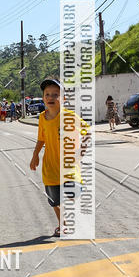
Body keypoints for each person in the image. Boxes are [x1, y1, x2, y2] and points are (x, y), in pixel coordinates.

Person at [29, 77, 90, 237]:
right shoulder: (42, 117)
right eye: (47, 94)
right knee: (55, 201)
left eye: (55, 94)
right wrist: (35, 156)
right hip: (50, 167)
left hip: (69, 165)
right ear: (43, 97)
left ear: (63, 98)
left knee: (73, 193)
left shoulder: (69, 117)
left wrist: (81, 151)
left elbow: (87, 132)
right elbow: (41, 138)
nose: (51, 97)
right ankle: (63, 225)